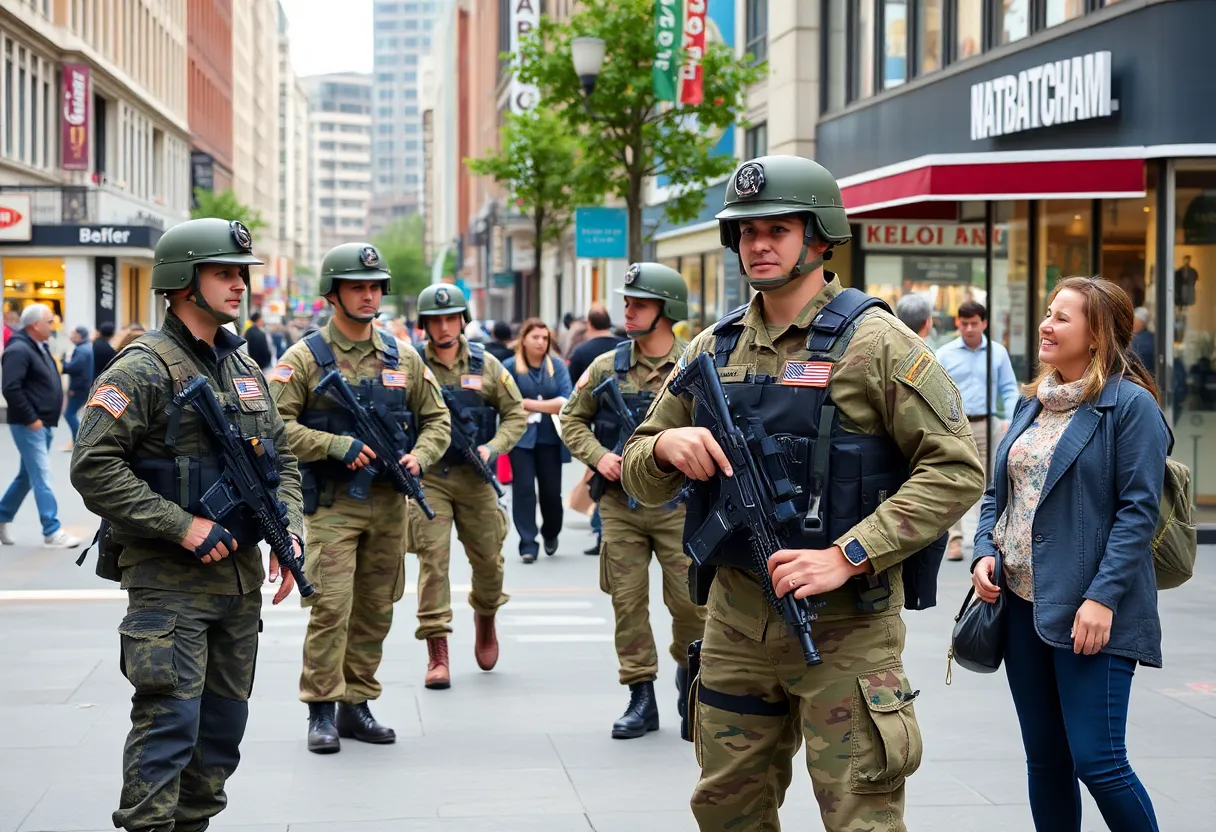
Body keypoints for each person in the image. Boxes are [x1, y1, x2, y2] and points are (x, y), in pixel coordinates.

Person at [621, 155, 985, 832]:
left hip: (845, 629)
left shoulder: (875, 343)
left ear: (819, 237)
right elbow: (638, 466)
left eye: (777, 229)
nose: (757, 244)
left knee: (860, 818)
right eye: (746, 231)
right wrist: (666, 447)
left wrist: (847, 553)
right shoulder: (714, 345)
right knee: (727, 811)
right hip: (734, 621)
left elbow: (957, 470)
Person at [69, 218, 306, 832]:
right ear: (181, 283)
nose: (238, 285)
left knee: (221, 736)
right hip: (168, 586)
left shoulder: (245, 368)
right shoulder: (141, 368)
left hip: (238, 584)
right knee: (168, 731)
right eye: (223, 272)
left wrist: (290, 532)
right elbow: (93, 466)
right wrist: (181, 526)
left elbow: (281, 463)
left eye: (241, 273)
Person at [971, 277, 1168, 832]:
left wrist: (1102, 598)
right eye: (1048, 313)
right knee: (1047, 761)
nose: (1046, 325)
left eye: (1061, 317)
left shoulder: (1130, 407)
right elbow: (997, 495)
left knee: (1098, 762)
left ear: (1098, 334)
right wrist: (985, 548)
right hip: (1020, 608)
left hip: (1090, 612)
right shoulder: (1031, 402)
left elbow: (1138, 513)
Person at [268, 243, 451, 754]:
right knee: (331, 606)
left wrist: (420, 455)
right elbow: (273, 426)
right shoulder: (304, 358)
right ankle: (321, 709)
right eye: (358, 287)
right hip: (331, 505)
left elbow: (437, 419)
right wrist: (332, 445)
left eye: (375, 287)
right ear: (333, 294)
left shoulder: (403, 356)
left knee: (376, 608)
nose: (369, 295)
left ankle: (357, 702)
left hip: (390, 504)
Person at [559, 262, 707, 739]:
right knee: (627, 603)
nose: (628, 310)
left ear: (666, 311)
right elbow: (571, 419)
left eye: (638, 303)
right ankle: (640, 696)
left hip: (680, 508)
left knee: (691, 605)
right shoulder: (606, 366)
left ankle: (693, 684)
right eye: (626, 302)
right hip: (620, 507)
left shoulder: (696, 363)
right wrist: (599, 457)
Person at [409, 284, 526, 689]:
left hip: (476, 478)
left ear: (463, 320)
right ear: (424, 325)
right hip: (430, 479)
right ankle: (437, 653)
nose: (443, 326)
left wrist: (493, 448)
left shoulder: (486, 364)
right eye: (435, 320)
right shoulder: (408, 363)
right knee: (433, 565)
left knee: (489, 562)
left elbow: (515, 415)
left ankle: (486, 616)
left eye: (450, 318)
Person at [935, 300, 1019, 561]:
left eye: (975, 323)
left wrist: (1011, 419)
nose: (969, 329)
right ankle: (955, 539)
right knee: (953, 479)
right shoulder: (945, 353)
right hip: (953, 425)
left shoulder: (997, 353)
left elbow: (1008, 388)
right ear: (959, 323)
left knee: (985, 483)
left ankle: (986, 539)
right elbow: (935, 388)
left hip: (984, 424)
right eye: (965, 323)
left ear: (984, 324)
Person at [0, 304, 80, 548]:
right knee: (42, 474)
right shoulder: (19, 348)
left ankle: (2, 516)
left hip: (40, 423)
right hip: (29, 424)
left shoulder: (37, 346)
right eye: (49, 321)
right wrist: (30, 418)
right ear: (35, 324)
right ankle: (52, 530)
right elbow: (10, 387)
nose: (53, 325)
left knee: (27, 476)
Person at [503, 319, 572, 563]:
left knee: (551, 492)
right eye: (536, 337)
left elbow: (565, 401)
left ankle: (551, 532)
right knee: (523, 491)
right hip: (520, 439)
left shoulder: (557, 367)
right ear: (524, 339)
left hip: (550, 438)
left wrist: (528, 404)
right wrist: (545, 406)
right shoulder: (510, 366)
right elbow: (506, 401)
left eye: (545, 338)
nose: (542, 342)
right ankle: (528, 543)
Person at [566, 304, 627, 555]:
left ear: (589, 324)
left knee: (604, 479)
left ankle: (603, 531)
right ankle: (603, 528)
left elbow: (573, 392)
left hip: (604, 428)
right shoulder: (621, 348)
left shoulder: (583, 351)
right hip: (624, 425)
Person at [567, 304, 625, 383]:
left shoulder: (580, 351)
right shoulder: (625, 346)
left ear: (589, 325)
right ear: (609, 322)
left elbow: (572, 382)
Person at [61, 326, 95, 450]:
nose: (71, 336)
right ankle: (78, 440)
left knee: (69, 414)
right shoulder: (85, 348)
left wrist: (62, 364)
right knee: (71, 413)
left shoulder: (81, 350)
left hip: (79, 388)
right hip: (83, 387)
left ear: (80, 335)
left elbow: (75, 369)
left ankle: (78, 440)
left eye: (74, 333)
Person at [1131, 306, 1154, 372]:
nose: (1134, 324)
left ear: (1143, 324)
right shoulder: (1131, 336)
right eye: (1134, 321)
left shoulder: (1147, 339)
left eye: (1137, 321)